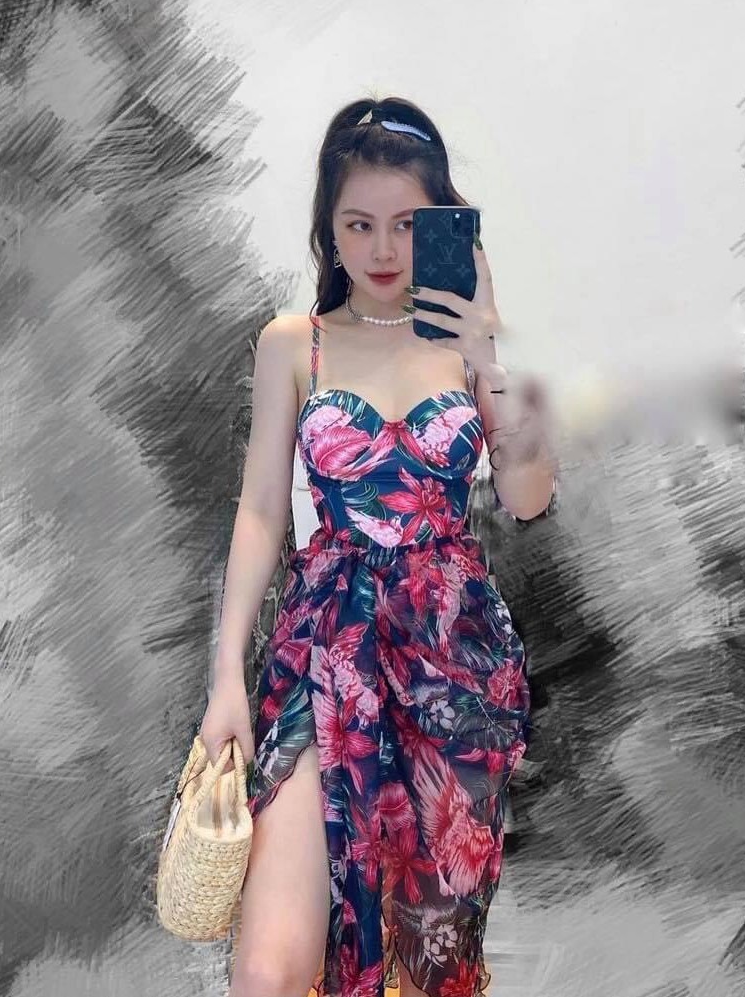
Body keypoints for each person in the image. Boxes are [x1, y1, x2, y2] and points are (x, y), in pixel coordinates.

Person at [199, 97, 558, 997]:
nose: (384, 248)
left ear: (441, 224)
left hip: (451, 665)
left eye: (405, 224)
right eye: (359, 223)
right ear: (328, 228)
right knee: (268, 971)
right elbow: (259, 513)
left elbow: (526, 496)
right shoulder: (295, 344)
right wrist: (226, 679)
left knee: (430, 967)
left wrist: (486, 351)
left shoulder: (471, 353)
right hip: (326, 648)